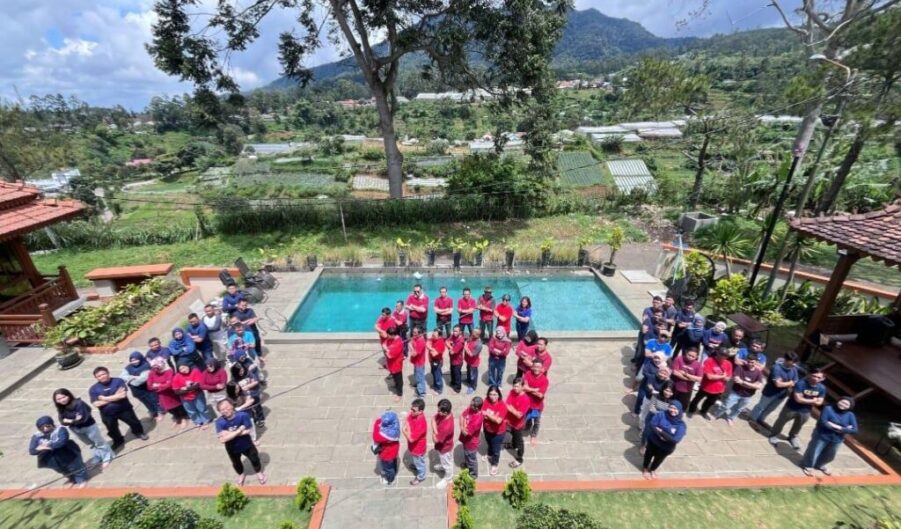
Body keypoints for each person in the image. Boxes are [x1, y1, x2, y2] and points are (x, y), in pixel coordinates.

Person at [89, 367, 148, 451]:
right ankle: (118, 441)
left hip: (124, 409)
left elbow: (122, 395)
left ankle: (138, 432)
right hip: (107, 414)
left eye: (103, 374)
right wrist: (116, 396)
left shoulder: (118, 381)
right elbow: (96, 404)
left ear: (108, 373)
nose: (102, 377)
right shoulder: (93, 389)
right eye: (99, 376)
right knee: (112, 429)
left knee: (134, 422)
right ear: (96, 378)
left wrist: (104, 398)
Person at [53, 388, 114, 469]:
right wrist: (74, 420)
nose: (62, 400)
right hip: (76, 429)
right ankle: (98, 456)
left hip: (89, 426)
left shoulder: (79, 403)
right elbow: (62, 421)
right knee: (90, 444)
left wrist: (69, 420)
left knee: (99, 442)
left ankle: (107, 457)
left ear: (68, 395)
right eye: (59, 399)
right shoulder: (61, 408)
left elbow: (84, 418)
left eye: (64, 397)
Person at [768, 369, 826, 450]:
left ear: (823, 379)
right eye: (814, 376)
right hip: (791, 408)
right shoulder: (801, 383)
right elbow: (798, 399)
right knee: (781, 422)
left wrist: (805, 399)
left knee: (798, 425)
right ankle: (773, 435)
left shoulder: (822, 388)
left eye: (819, 377)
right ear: (809, 375)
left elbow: (820, 402)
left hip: (806, 411)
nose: (815, 378)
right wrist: (813, 400)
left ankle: (792, 437)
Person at [801, 396, 858, 476]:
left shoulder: (850, 415)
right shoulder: (828, 409)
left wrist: (838, 427)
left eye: (846, 404)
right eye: (842, 402)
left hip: (837, 439)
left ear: (850, 407)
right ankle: (807, 465)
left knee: (830, 455)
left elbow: (854, 430)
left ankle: (819, 465)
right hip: (822, 435)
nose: (843, 405)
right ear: (838, 401)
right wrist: (845, 428)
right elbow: (823, 423)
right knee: (814, 451)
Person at [215, 399, 267, 485]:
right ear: (220, 412)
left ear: (232, 405)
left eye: (227, 407)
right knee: (236, 463)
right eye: (222, 409)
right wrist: (239, 430)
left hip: (247, 444)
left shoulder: (243, 415)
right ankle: (241, 474)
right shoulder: (219, 422)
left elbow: (248, 431)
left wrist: (228, 434)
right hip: (232, 447)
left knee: (254, 459)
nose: (225, 410)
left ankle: (259, 472)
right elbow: (222, 440)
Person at [29, 416, 88, 488]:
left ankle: (81, 480)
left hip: (67, 454)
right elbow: (32, 451)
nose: (45, 429)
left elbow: (61, 442)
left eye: (47, 426)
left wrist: (45, 447)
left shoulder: (60, 430)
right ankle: (72, 479)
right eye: (42, 428)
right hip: (51, 459)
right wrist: (40, 449)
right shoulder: (37, 436)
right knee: (62, 470)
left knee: (76, 467)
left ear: (52, 424)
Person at [751, 352, 800, 426]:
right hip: (770, 392)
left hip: (782, 394)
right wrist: (790, 382)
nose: (795, 364)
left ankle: (760, 419)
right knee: (761, 407)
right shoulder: (776, 368)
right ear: (786, 360)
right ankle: (753, 418)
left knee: (771, 408)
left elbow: (795, 381)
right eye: (793, 362)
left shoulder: (794, 369)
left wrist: (785, 383)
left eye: (796, 362)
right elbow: (778, 384)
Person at [714, 353, 764, 425]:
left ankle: (731, 418)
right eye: (748, 361)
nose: (750, 364)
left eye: (752, 362)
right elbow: (736, 380)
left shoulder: (758, 372)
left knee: (739, 409)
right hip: (736, 392)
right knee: (726, 405)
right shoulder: (740, 368)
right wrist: (752, 385)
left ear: (756, 362)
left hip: (748, 395)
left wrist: (743, 382)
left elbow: (759, 386)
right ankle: (716, 414)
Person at [642, 402, 687, 479]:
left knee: (659, 459)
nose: (672, 410)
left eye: (675, 408)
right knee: (648, 455)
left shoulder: (681, 425)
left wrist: (662, 432)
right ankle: (645, 468)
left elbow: (676, 439)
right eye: (671, 407)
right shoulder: (661, 414)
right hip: (653, 441)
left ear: (679, 410)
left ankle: (653, 470)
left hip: (666, 448)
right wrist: (662, 436)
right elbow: (652, 424)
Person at [688, 348, 733, 419]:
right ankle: (691, 410)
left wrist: (721, 377)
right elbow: (709, 377)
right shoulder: (709, 361)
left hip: (719, 389)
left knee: (710, 402)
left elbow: (728, 377)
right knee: (697, 399)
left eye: (725, 355)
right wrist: (723, 376)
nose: (723, 356)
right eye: (721, 354)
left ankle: (703, 411)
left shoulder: (728, 364)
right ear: (717, 353)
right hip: (706, 386)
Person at [120, 351, 165, 421]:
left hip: (148, 389)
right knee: (146, 402)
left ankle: (160, 412)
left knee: (154, 401)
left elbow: (140, 381)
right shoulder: (128, 367)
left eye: (136, 360)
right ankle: (153, 412)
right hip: (137, 392)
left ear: (140, 358)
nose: (134, 362)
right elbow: (122, 377)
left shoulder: (146, 366)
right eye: (132, 360)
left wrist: (129, 379)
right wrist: (133, 377)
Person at [147, 358, 189, 429]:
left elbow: (170, 384)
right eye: (154, 367)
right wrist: (163, 384)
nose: (155, 369)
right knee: (169, 408)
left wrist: (158, 385)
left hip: (171, 394)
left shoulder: (169, 371)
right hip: (162, 395)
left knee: (178, 406)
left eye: (157, 367)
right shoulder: (151, 372)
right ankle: (177, 417)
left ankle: (183, 418)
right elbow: (149, 386)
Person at [639, 381, 675, 454]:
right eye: (666, 390)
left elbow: (673, 413)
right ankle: (643, 445)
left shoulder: (673, 401)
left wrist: (658, 411)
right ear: (663, 389)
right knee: (646, 433)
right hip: (651, 418)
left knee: (657, 435)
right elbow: (651, 409)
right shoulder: (656, 396)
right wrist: (665, 413)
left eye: (671, 392)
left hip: (662, 422)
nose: (668, 393)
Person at [172, 362, 210, 428]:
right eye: (181, 369)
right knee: (191, 411)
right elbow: (177, 391)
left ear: (188, 366)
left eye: (184, 367)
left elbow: (197, 385)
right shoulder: (176, 377)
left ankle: (206, 420)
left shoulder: (195, 371)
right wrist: (190, 388)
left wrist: (186, 388)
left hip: (197, 394)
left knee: (202, 408)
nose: (183, 370)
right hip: (185, 398)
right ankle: (197, 421)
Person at [505, 378, 531, 468]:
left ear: (523, 387)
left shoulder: (525, 399)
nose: (515, 388)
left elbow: (519, 416)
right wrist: (514, 410)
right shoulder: (512, 392)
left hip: (517, 425)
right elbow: (507, 404)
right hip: (510, 421)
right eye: (514, 386)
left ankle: (519, 459)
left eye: (517, 386)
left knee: (519, 440)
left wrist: (512, 409)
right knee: (513, 435)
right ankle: (513, 445)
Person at [482, 385, 507, 476]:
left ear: (499, 395)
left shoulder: (502, 405)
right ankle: (489, 454)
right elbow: (482, 412)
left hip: (498, 433)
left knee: (496, 450)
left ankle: (494, 464)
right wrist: (492, 417)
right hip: (487, 429)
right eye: (490, 394)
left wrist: (488, 415)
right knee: (489, 443)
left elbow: (498, 421)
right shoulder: (486, 401)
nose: (492, 397)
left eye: (495, 394)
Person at [523, 360, 549, 445]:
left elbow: (540, 395)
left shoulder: (544, 380)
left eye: (538, 367)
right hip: (527, 403)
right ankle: (527, 427)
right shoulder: (528, 374)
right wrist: (535, 390)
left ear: (541, 368)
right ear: (532, 367)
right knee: (527, 418)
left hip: (537, 405)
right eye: (534, 366)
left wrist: (529, 389)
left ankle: (534, 435)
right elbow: (524, 387)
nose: (536, 369)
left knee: (537, 421)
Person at [633, 296, 663, 369]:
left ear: (661, 303)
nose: (655, 304)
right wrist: (644, 325)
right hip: (645, 332)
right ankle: (636, 362)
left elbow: (663, 322)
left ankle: (643, 365)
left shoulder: (662, 312)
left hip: (654, 335)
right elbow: (645, 319)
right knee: (640, 348)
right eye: (654, 302)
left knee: (649, 352)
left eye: (657, 303)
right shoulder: (647, 310)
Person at [637, 367, 672, 432]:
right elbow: (648, 387)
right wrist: (655, 391)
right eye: (661, 373)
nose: (662, 375)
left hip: (658, 401)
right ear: (658, 372)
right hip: (648, 399)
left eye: (665, 374)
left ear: (668, 375)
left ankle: (647, 428)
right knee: (643, 414)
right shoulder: (652, 377)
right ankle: (641, 426)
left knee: (653, 416)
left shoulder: (668, 382)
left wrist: (654, 390)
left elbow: (668, 391)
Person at [403, 398, 428, 485]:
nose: (411, 411)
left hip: (418, 449)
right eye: (411, 409)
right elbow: (408, 418)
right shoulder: (414, 414)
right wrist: (407, 424)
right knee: (418, 461)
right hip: (414, 446)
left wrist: (404, 430)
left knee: (420, 463)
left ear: (420, 411)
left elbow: (411, 439)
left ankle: (421, 477)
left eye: (413, 410)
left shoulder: (421, 424)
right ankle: (417, 466)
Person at [372, 410, 400, 486]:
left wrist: (378, 424)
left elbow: (375, 437)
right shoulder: (395, 424)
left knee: (388, 467)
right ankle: (394, 470)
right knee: (393, 461)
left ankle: (390, 479)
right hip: (394, 449)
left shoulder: (385, 435)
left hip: (387, 453)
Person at [459, 397, 484, 478]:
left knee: (472, 459)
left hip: (471, 443)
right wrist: (463, 426)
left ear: (477, 408)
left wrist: (462, 426)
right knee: (467, 455)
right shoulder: (471, 408)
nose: (470, 406)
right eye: (471, 403)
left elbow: (465, 433)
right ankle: (467, 464)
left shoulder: (477, 420)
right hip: (466, 441)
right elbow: (462, 415)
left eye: (472, 405)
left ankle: (473, 474)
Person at [432, 398, 455, 489]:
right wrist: (436, 431)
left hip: (445, 448)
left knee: (447, 464)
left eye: (439, 411)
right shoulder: (448, 414)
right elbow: (433, 419)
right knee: (446, 460)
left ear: (445, 413)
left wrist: (434, 432)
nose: (437, 412)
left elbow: (435, 440)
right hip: (444, 445)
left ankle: (448, 479)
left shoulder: (446, 426)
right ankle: (443, 466)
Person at [383, 327, 404, 402]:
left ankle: (399, 394)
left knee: (398, 379)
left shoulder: (398, 343)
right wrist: (387, 349)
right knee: (394, 377)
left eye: (388, 335)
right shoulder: (390, 339)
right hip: (391, 363)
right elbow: (384, 343)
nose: (387, 336)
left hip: (396, 364)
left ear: (393, 335)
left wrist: (386, 349)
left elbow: (390, 355)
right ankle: (396, 386)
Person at [427, 328, 447, 395]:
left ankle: (439, 389)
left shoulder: (441, 343)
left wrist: (429, 347)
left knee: (437, 375)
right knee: (433, 373)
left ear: (439, 336)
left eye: (434, 336)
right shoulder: (433, 339)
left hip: (437, 361)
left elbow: (434, 354)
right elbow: (427, 342)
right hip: (432, 360)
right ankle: (435, 385)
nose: (432, 337)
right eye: (432, 335)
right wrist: (432, 348)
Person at [409, 325, 428, 397]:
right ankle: (417, 384)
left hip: (419, 362)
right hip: (416, 361)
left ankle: (422, 393)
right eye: (413, 332)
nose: (413, 333)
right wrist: (412, 341)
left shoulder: (421, 341)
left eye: (414, 332)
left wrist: (410, 345)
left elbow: (414, 354)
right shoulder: (416, 338)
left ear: (419, 333)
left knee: (420, 377)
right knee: (416, 374)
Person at [446, 325, 465, 393]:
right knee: (452, 372)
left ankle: (458, 388)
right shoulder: (453, 336)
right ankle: (453, 382)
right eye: (454, 331)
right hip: (452, 359)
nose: (454, 332)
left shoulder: (460, 341)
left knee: (457, 374)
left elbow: (452, 352)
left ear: (460, 332)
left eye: (456, 331)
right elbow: (446, 341)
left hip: (458, 361)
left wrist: (450, 346)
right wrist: (451, 346)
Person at [463, 329, 483, 394]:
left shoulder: (479, 344)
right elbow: (467, 341)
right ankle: (468, 380)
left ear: (477, 335)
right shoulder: (472, 337)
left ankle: (473, 387)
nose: (472, 333)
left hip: (474, 363)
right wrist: (466, 342)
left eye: (473, 332)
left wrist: (465, 347)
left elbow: (471, 355)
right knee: (468, 371)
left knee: (473, 375)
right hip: (468, 361)